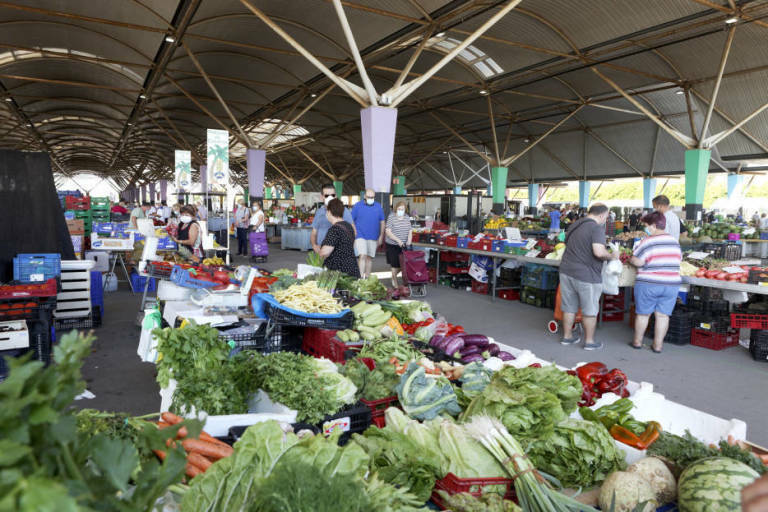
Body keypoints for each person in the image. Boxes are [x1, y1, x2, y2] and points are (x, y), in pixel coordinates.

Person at [558, 203, 620, 351]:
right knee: (590, 309)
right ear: (602, 215)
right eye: (606, 217)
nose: (606, 219)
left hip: (566, 271)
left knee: (569, 307)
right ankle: (590, 341)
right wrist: (612, 256)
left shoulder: (575, 225)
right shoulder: (596, 228)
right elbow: (598, 252)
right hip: (586, 274)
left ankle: (567, 337)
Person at [629, 211, 682, 353]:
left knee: (643, 314)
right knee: (663, 315)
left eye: (646, 225)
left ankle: (637, 342)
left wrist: (631, 259)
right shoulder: (674, 242)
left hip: (649, 283)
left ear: (653, 225)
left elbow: (638, 261)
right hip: (671, 284)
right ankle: (658, 346)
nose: (646, 229)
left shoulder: (647, 241)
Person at [316, 198, 360, 278]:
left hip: (339, 271)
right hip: (352, 267)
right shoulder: (348, 226)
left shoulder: (335, 229)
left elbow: (325, 252)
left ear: (329, 212)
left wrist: (319, 257)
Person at [351, 189, 385, 278]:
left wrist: (381, 236)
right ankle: (361, 278)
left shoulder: (378, 207)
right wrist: (354, 232)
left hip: (373, 236)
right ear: (364, 196)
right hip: (360, 235)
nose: (371, 198)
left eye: (372, 197)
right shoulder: (357, 206)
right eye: (369, 197)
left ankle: (368, 278)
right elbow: (351, 221)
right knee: (362, 255)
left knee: (369, 258)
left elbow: (382, 222)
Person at [311, 184, 355, 252]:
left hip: (339, 252)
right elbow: (314, 232)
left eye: (332, 195)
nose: (330, 198)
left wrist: (346, 247)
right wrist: (314, 245)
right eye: (326, 196)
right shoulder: (319, 212)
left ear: (336, 196)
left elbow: (353, 231)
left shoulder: (344, 211)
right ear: (322, 197)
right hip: (322, 251)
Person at [384, 201, 412, 287]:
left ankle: (393, 276)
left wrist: (409, 240)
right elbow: (388, 231)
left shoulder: (407, 217)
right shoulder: (391, 217)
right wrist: (398, 240)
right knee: (395, 264)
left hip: (404, 245)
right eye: (399, 209)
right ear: (396, 209)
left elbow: (410, 230)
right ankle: (395, 283)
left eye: (402, 209)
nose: (401, 211)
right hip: (392, 245)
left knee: (404, 264)